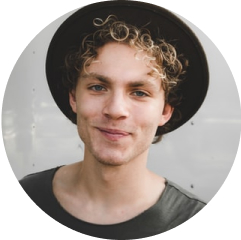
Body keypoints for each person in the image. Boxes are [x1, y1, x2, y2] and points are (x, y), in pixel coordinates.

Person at [20, 1, 209, 239]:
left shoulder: (194, 222)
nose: (116, 109)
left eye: (140, 92)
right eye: (98, 87)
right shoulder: (24, 197)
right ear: (73, 99)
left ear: (165, 111)